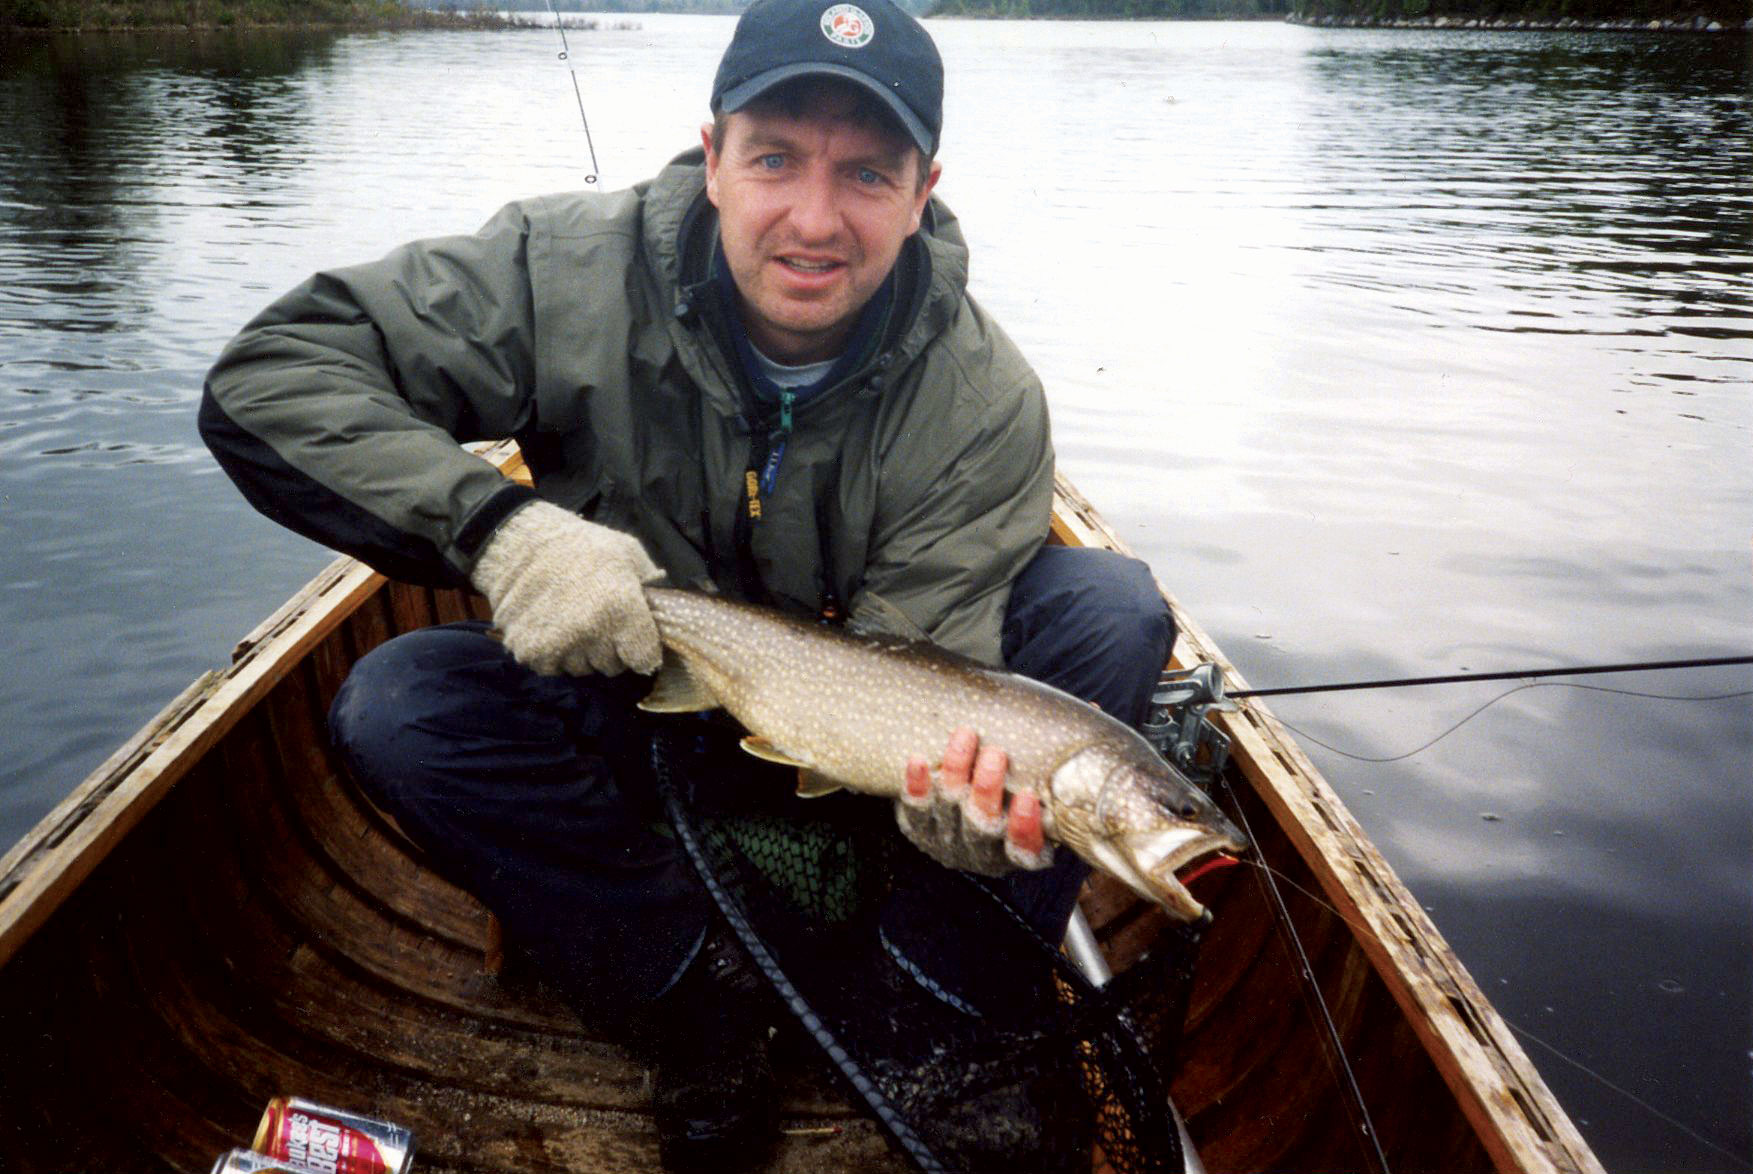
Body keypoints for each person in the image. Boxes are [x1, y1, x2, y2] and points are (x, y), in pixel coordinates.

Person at [199, 0, 1174, 1167]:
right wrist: (499, 530)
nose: (814, 219)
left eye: (867, 173)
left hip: (851, 733)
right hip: (625, 690)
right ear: (710, 159)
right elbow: (274, 373)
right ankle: (689, 1000)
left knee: (1108, 608)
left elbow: (928, 659)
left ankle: (927, 1001)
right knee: (398, 700)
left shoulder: (983, 397)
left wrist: (957, 820)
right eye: (775, 159)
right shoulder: (558, 272)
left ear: (924, 193)